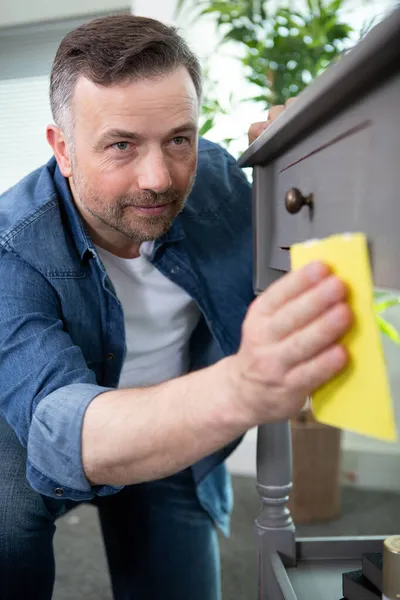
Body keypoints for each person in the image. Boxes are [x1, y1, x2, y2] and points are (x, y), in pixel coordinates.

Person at [0, 14, 351, 600]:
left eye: (178, 139)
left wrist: (319, 161)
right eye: (120, 145)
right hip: (28, 425)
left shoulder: (215, 179)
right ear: (62, 149)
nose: (159, 178)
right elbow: (60, 428)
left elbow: (316, 247)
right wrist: (242, 390)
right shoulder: (13, 247)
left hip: (174, 431)